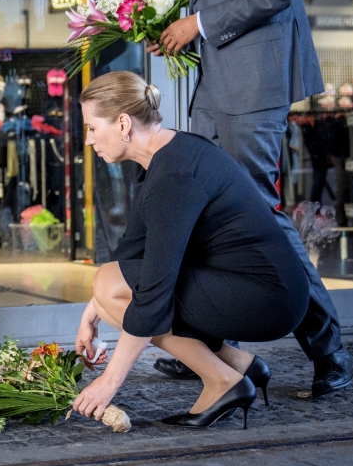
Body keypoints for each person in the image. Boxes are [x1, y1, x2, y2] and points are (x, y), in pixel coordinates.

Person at [151, 0, 353, 397]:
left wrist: (200, 22)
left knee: (261, 217)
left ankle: (331, 351)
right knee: (204, 214)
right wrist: (176, 27)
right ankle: (213, 351)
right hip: (215, 90)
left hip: (252, 88)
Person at [70, 71, 309, 428]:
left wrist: (110, 381)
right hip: (249, 283)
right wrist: (92, 313)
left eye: (91, 128)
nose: (88, 140)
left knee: (116, 288)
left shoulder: (174, 177)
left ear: (122, 123)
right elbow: (131, 255)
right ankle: (239, 365)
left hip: (269, 298)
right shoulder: (166, 157)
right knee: (107, 287)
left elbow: (153, 287)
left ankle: (223, 381)